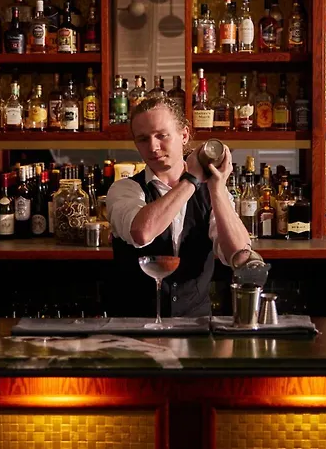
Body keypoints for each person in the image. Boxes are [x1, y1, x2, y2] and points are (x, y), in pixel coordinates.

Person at [106, 97, 250, 317]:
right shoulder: (124, 189)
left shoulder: (212, 193)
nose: (153, 147)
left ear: (184, 135)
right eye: (143, 139)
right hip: (135, 326)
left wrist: (218, 189)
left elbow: (239, 256)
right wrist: (191, 180)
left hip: (195, 326)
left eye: (161, 135)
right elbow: (142, 233)